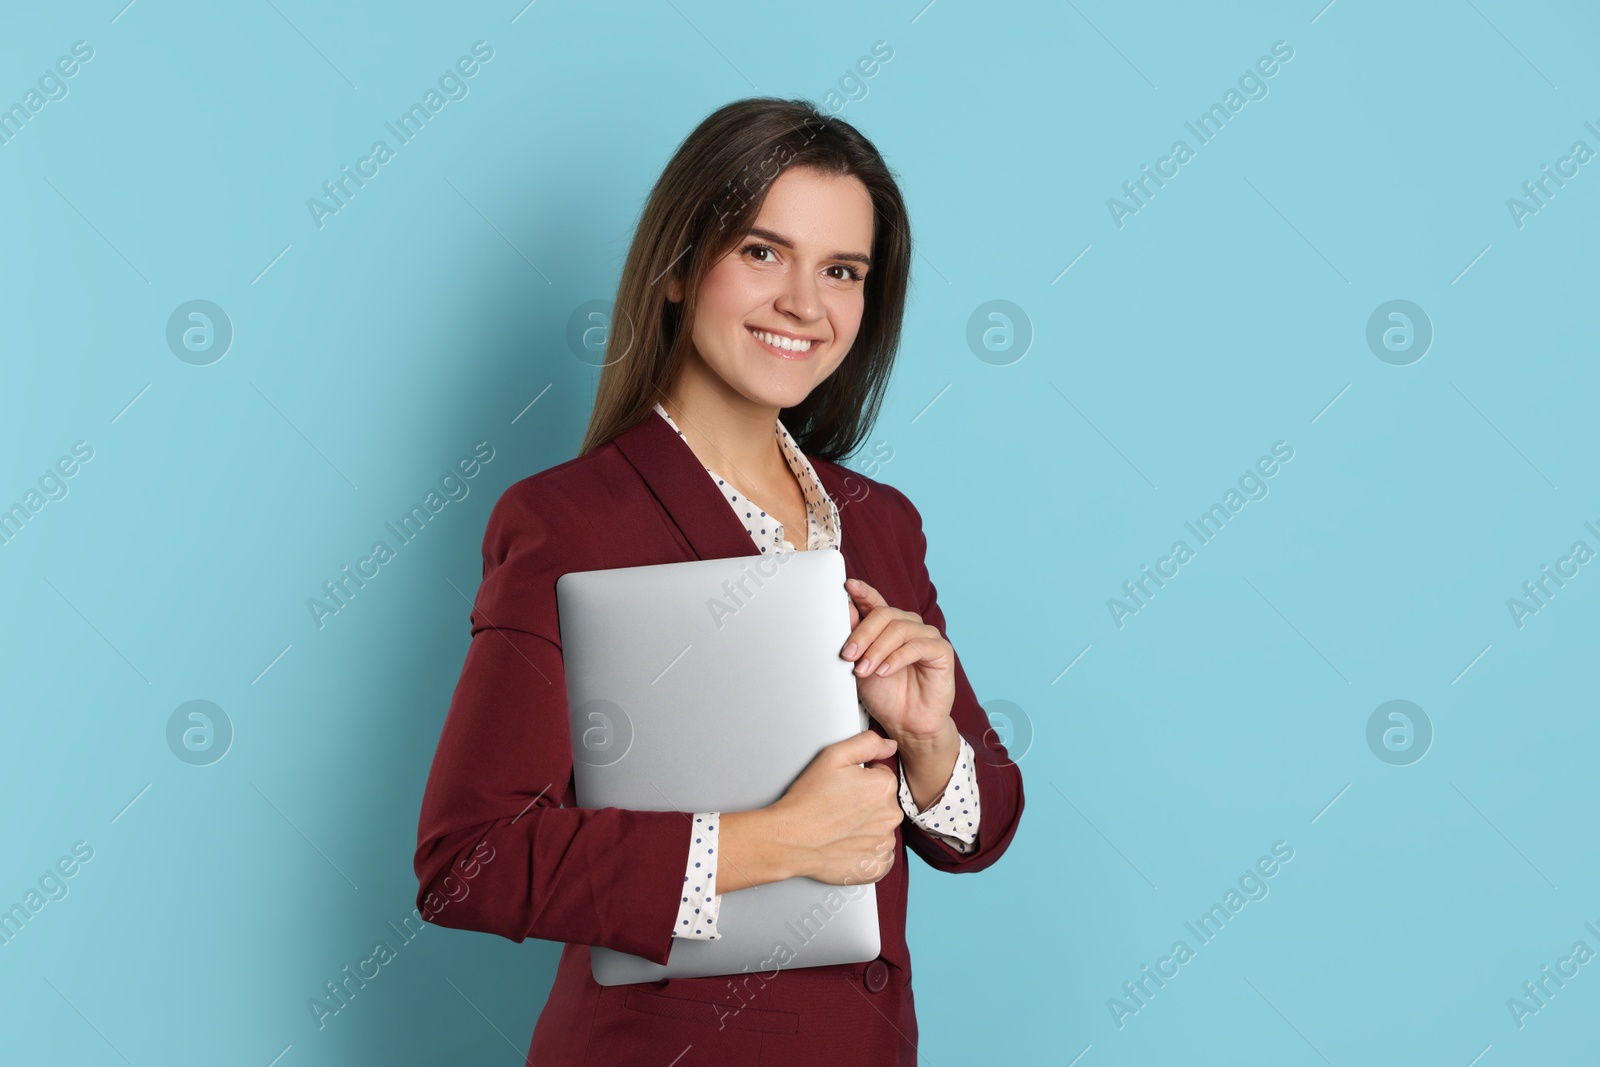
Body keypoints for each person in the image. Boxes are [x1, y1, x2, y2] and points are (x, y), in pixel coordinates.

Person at [413, 96, 1025, 1066]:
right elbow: (468, 861)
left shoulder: (880, 519)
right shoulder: (567, 520)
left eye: (842, 270)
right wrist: (774, 839)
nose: (804, 304)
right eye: (760, 251)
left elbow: (979, 825)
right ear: (674, 267)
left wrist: (928, 736)